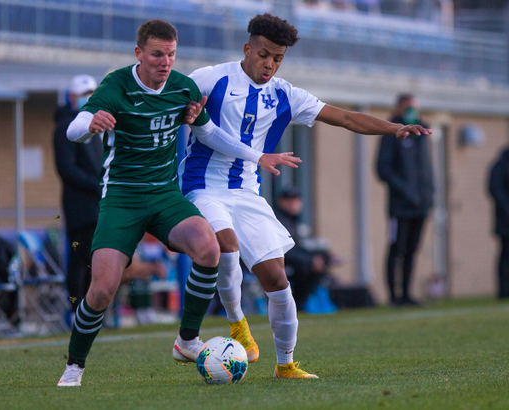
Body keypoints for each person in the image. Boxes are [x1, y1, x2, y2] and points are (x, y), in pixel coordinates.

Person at [178, 14, 431, 379]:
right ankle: (237, 325)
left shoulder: (285, 94)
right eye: (264, 54)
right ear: (247, 48)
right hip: (202, 187)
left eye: (277, 58)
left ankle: (286, 364)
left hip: (247, 193)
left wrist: (393, 128)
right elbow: (170, 103)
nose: (270, 64)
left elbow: (344, 117)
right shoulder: (210, 78)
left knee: (278, 279)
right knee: (226, 246)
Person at [56, 19, 299, 387]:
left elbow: (211, 133)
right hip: (122, 197)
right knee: (102, 288)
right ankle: (74, 365)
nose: (165, 61)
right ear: (139, 54)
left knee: (209, 247)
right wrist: (89, 124)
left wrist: (257, 156)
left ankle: (186, 341)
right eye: (157, 54)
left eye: (171, 54)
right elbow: (77, 125)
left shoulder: (183, 88)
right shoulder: (116, 84)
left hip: (165, 195)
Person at [376, 94, 434, 307]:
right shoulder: (391, 134)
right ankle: (394, 296)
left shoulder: (422, 134)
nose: (413, 111)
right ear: (399, 108)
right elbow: (383, 169)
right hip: (400, 207)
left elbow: (426, 170)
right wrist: (406, 191)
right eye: (409, 107)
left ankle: (407, 294)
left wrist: (429, 195)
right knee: (396, 248)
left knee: (412, 250)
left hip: (422, 204)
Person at [53, 74, 102, 318]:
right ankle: (76, 310)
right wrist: (96, 185)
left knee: (96, 260)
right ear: (71, 97)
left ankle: (91, 311)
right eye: (84, 94)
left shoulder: (95, 126)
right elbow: (67, 169)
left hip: (98, 205)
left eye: (92, 93)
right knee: (80, 259)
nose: (88, 99)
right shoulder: (65, 128)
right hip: (80, 208)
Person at [274, 187, 339, 310]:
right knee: (311, 267)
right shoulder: (279, 221)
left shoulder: (292, 221)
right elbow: (284, 250)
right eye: (288, 200)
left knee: (322, 259)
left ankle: (305, 302)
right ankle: (300, 303)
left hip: (291, 261)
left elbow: (298, 248)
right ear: (280, 202)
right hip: (280, 264)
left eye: (295, 200)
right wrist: (311, 261)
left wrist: (325, 255)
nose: (293, 204)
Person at [488, 147, 509, 299]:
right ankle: (504, 290)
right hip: (505, 220)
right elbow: (496, 190)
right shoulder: (501, 165)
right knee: (506, 254)